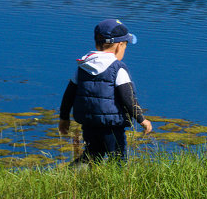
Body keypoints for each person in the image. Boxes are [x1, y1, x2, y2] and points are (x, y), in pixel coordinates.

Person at [58, 18, 152, 162]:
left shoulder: (84, 66)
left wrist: (64, 118)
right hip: (112, 125)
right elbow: (128, 98)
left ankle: (73, 174)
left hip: (89, 123)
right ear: (119, 46)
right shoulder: (117, 69)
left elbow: (69, 94)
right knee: (118, 158)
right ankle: (117, 182)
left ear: (97, 43)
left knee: (92, 154)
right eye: (125, 46)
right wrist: (141, 119)